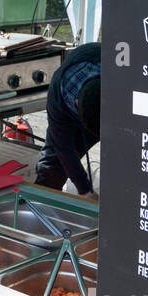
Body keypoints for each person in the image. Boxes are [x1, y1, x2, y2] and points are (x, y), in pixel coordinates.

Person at [34, 41, 100, 197]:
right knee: (53, 165)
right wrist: (84, 190)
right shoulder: (59, 98)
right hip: (72, 110)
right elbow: (65, 148)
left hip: (104, 97)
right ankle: (42, 206)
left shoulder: (122, 76)